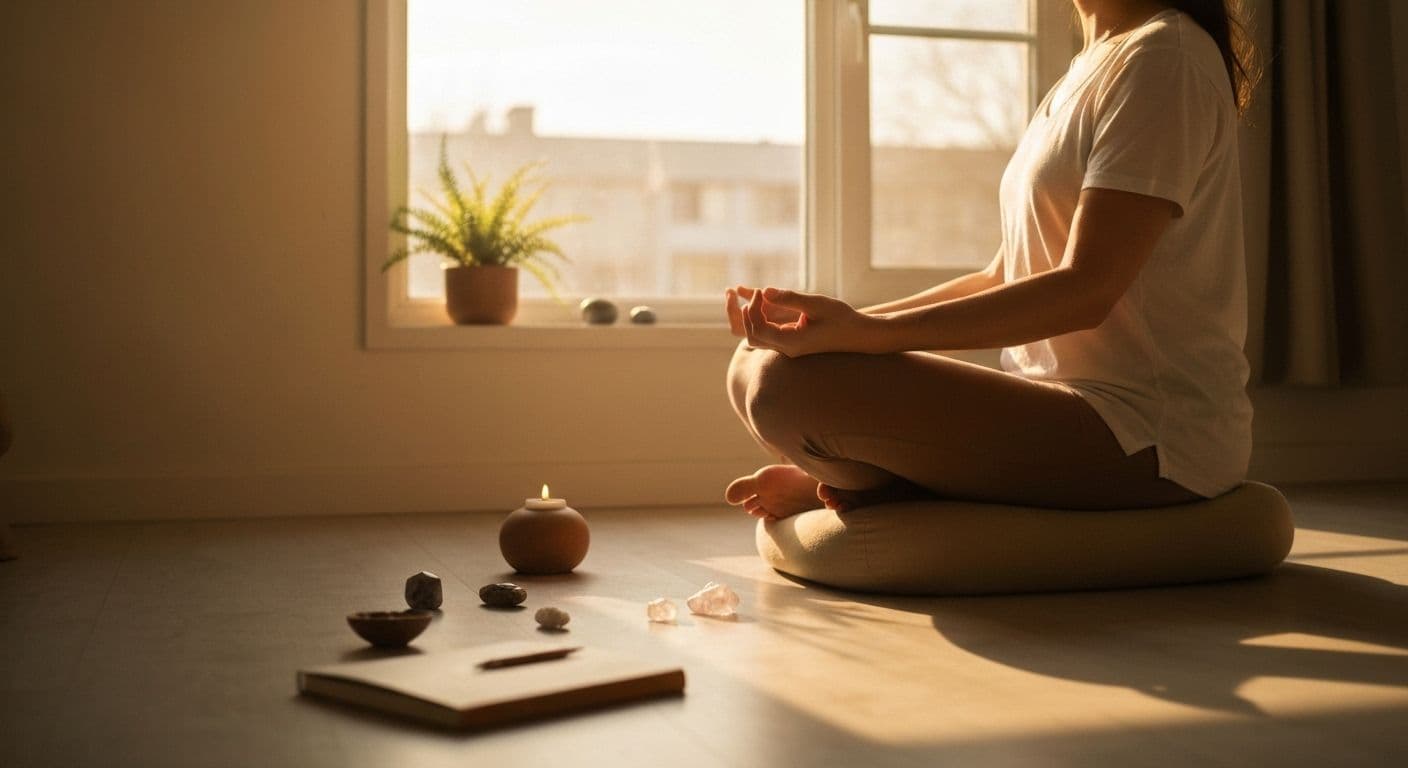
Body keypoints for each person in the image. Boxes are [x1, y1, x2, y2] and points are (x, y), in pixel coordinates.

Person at [724, 0, 1259, 521]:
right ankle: (893, 483)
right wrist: (839, 325)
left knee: (781, 387)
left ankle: (889, 483)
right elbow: (1002, 275)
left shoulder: (1167, 56)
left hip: (1146, 432)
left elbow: (1086, 289)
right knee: (753, 360)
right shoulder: (1090, 64)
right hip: (1052, 405)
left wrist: (870, 334)